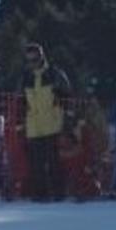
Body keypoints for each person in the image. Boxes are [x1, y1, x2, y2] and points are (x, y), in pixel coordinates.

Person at [17, 43, 71, 201]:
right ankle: (40, 193)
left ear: (41, 56)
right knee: (36, 163)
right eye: (29, 59)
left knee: (54, 160)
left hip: (53, 123)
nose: (32, 62)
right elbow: (20, 101)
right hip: (34, 125)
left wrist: (67, 118)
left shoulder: (55, 74)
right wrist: (21, 123)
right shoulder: (26, 77)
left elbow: (67, 96)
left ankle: (58, 192)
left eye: (35, 58)